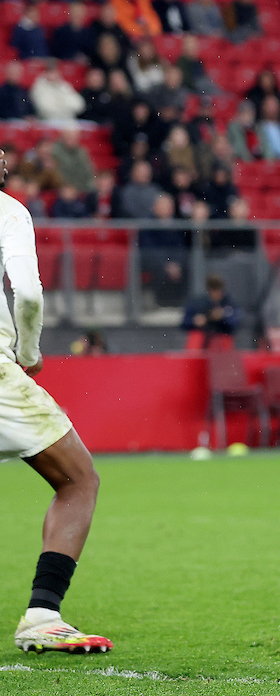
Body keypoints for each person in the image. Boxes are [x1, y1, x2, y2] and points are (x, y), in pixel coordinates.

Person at [0, 150, 108, 657]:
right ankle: (43, 614)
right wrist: (29, 351)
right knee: (78, 478)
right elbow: (28, 294)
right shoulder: (8, 210)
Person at [181, 274, 240, 344]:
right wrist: (195, 321)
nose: (216, 294)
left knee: (225, 339)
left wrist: (223, 316)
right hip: (202, 341)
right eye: (213, 291)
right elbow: (184, 323)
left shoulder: (228, 303)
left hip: (221, 341)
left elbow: (236, 322)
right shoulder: (198, 303)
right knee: (196, 337)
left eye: (218, 291)